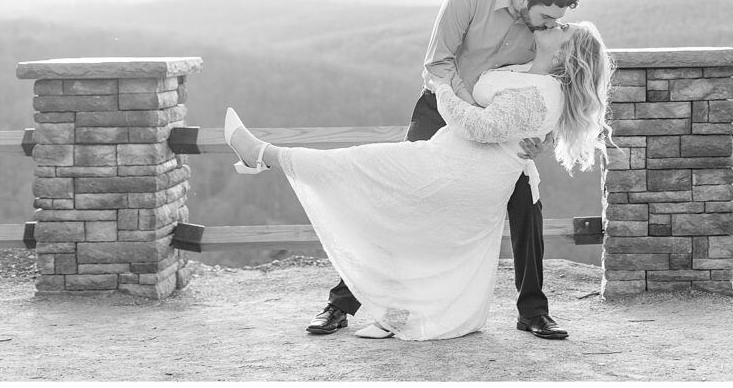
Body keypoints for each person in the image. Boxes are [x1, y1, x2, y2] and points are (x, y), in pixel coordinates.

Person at [225, 21, 614, 341]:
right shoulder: (526, 69)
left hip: (457, 167)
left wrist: (441, 87)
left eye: (564, 28)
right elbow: (511, 116)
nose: (556, 23)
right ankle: (378, 307)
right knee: (384, 196)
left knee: (358, 168)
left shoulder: (541, 89)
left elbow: (481, 126)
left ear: (564, 53)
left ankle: (261, 154)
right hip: (452, 158)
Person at [311, 0, 582, 340]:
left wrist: (542, 137)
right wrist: (468, 111)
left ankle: (533, 311)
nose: (549, 26)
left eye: (556, 21)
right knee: (402, 200)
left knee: (526, 203)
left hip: (499, 125)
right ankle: (341, 304)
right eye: (545, 18)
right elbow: (437, 62)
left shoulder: (542, 31)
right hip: (441, 107)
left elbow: (547, 86)